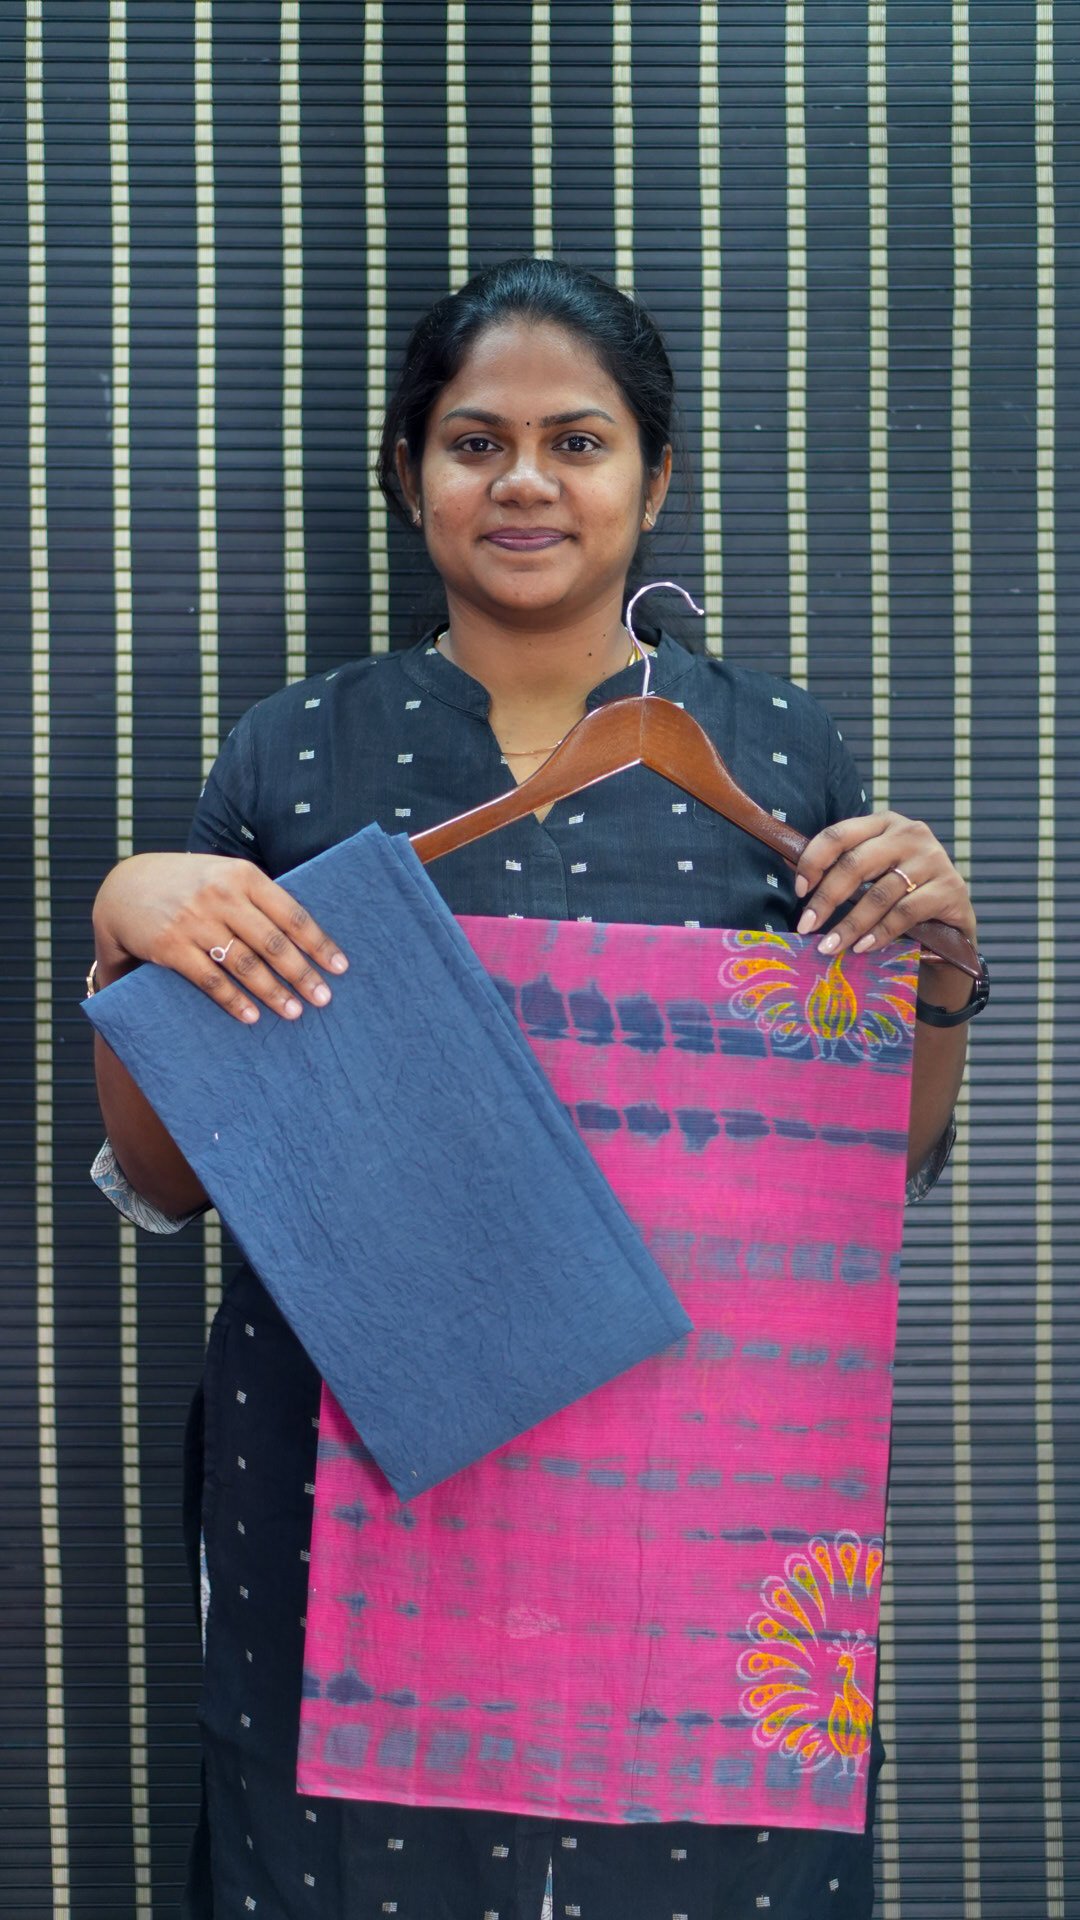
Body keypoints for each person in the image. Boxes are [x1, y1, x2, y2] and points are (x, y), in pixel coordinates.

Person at [91, 258, 983, 1919]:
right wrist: (121, 933)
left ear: (656, 476)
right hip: (346, 1451)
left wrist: (935, 978)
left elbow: (876, 1161)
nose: (523, 481)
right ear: (408, 472)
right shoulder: (293, 758)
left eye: (577, 441)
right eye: (473, 441)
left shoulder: (786, 762)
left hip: (693, 1462)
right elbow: (167, 1176)